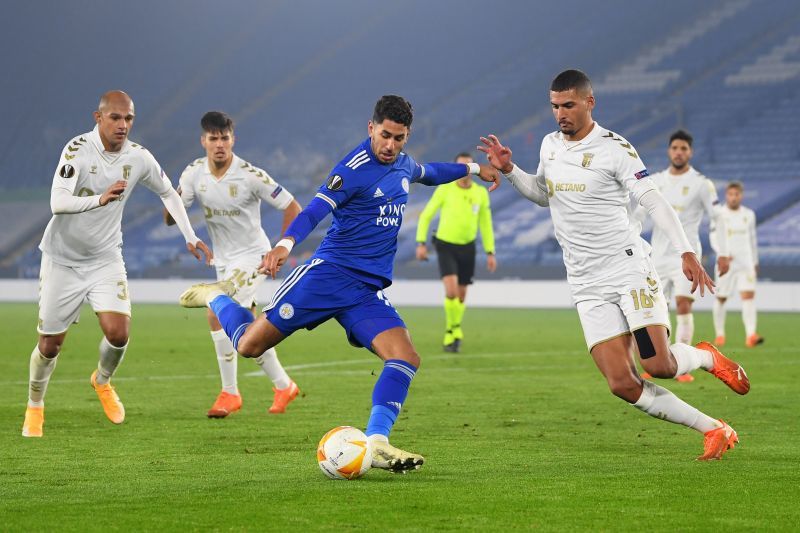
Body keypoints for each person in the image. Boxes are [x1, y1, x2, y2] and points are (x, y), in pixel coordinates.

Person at [179, 95, 499, 472]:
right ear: (371, 128)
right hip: (327, 277)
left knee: (406, 357)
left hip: (364, 291)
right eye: (384, 136)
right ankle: (216, 297)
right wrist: (285, 244)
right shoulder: (352, 169)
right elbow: (314, 209)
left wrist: (476, 169)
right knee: (249, 345)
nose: (390, 145)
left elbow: (430, 172)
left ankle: (377, 441)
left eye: (399, 138)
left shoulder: (403, 164)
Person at [479, 70, 749, 460]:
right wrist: (510, 170)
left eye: (569, 105)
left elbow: (654, 200)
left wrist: (685, 250)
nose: (561, 114)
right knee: (622, 383)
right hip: (585, 281)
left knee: (658, 365)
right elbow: (543, 194)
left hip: (627, 270)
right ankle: (714, 429)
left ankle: (706, 356)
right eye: (555, 106)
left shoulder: (614, 149)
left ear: (590, 102)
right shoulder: (550, 145)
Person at [22, 90, 212, 438]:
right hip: (62, 260)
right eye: (116, 118)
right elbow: (57, 202)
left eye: (129, 119)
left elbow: (168, 191)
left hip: (105, 257)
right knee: (50, 345)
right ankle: (35, 404)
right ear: (98, 118)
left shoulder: (138, 157)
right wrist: (99, 198)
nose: (123, 125)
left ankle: (102, 381)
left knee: (119, 333)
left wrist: (189, 234)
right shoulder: (76, 150)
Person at [166, 111, 303, 418]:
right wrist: (170, 201)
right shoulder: (193, 174)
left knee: (216, 309)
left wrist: (281, 248)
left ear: (233, 140)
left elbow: (293, 206)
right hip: (224, 261)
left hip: (254, 257)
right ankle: (284, 385)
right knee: (248, 327)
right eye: (213, 138)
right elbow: (171, 214)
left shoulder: (250, 175)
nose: (219, 145)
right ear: (203, 141)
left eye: (224, 138)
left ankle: (230, 393)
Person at [635, 130, 730, 382]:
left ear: (691, 152)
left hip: (686, 256)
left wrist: (722, 251)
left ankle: (681, 366)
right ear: (669, 151)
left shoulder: (702, 184)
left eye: (684, 149)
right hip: (657, 257)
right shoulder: (654, 181)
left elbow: (717, 218)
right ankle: (661, 359)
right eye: (675, 148)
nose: (679, 152)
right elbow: (640, 214)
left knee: (683, 304)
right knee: (658, 309)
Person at [415, 152, 496, 352]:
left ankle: (453, 330)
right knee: (451, 291)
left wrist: (490, 251)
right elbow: (426, 215)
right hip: (445, 245)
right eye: (460, 166)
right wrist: (421, 242)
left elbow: (485, 223)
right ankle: (453, 330)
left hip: (468, 247)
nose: (464, 170)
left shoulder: (480, 193)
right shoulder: (445, 189)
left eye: (468, 166)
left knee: (460, 296)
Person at [711, 181, 763, 347]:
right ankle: (719, 334)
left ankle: (751, 335)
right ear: (727, 195)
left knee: (748, 296)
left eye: (737, 194)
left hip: (745, 262)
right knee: (721, 298)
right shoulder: (719, 214)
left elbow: (752, 239)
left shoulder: (749, 214)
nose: (733, 198)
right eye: (731, 194)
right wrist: (723, 254)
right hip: (726, 263)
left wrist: (755, 261)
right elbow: (713, 237)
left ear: (741, 195)